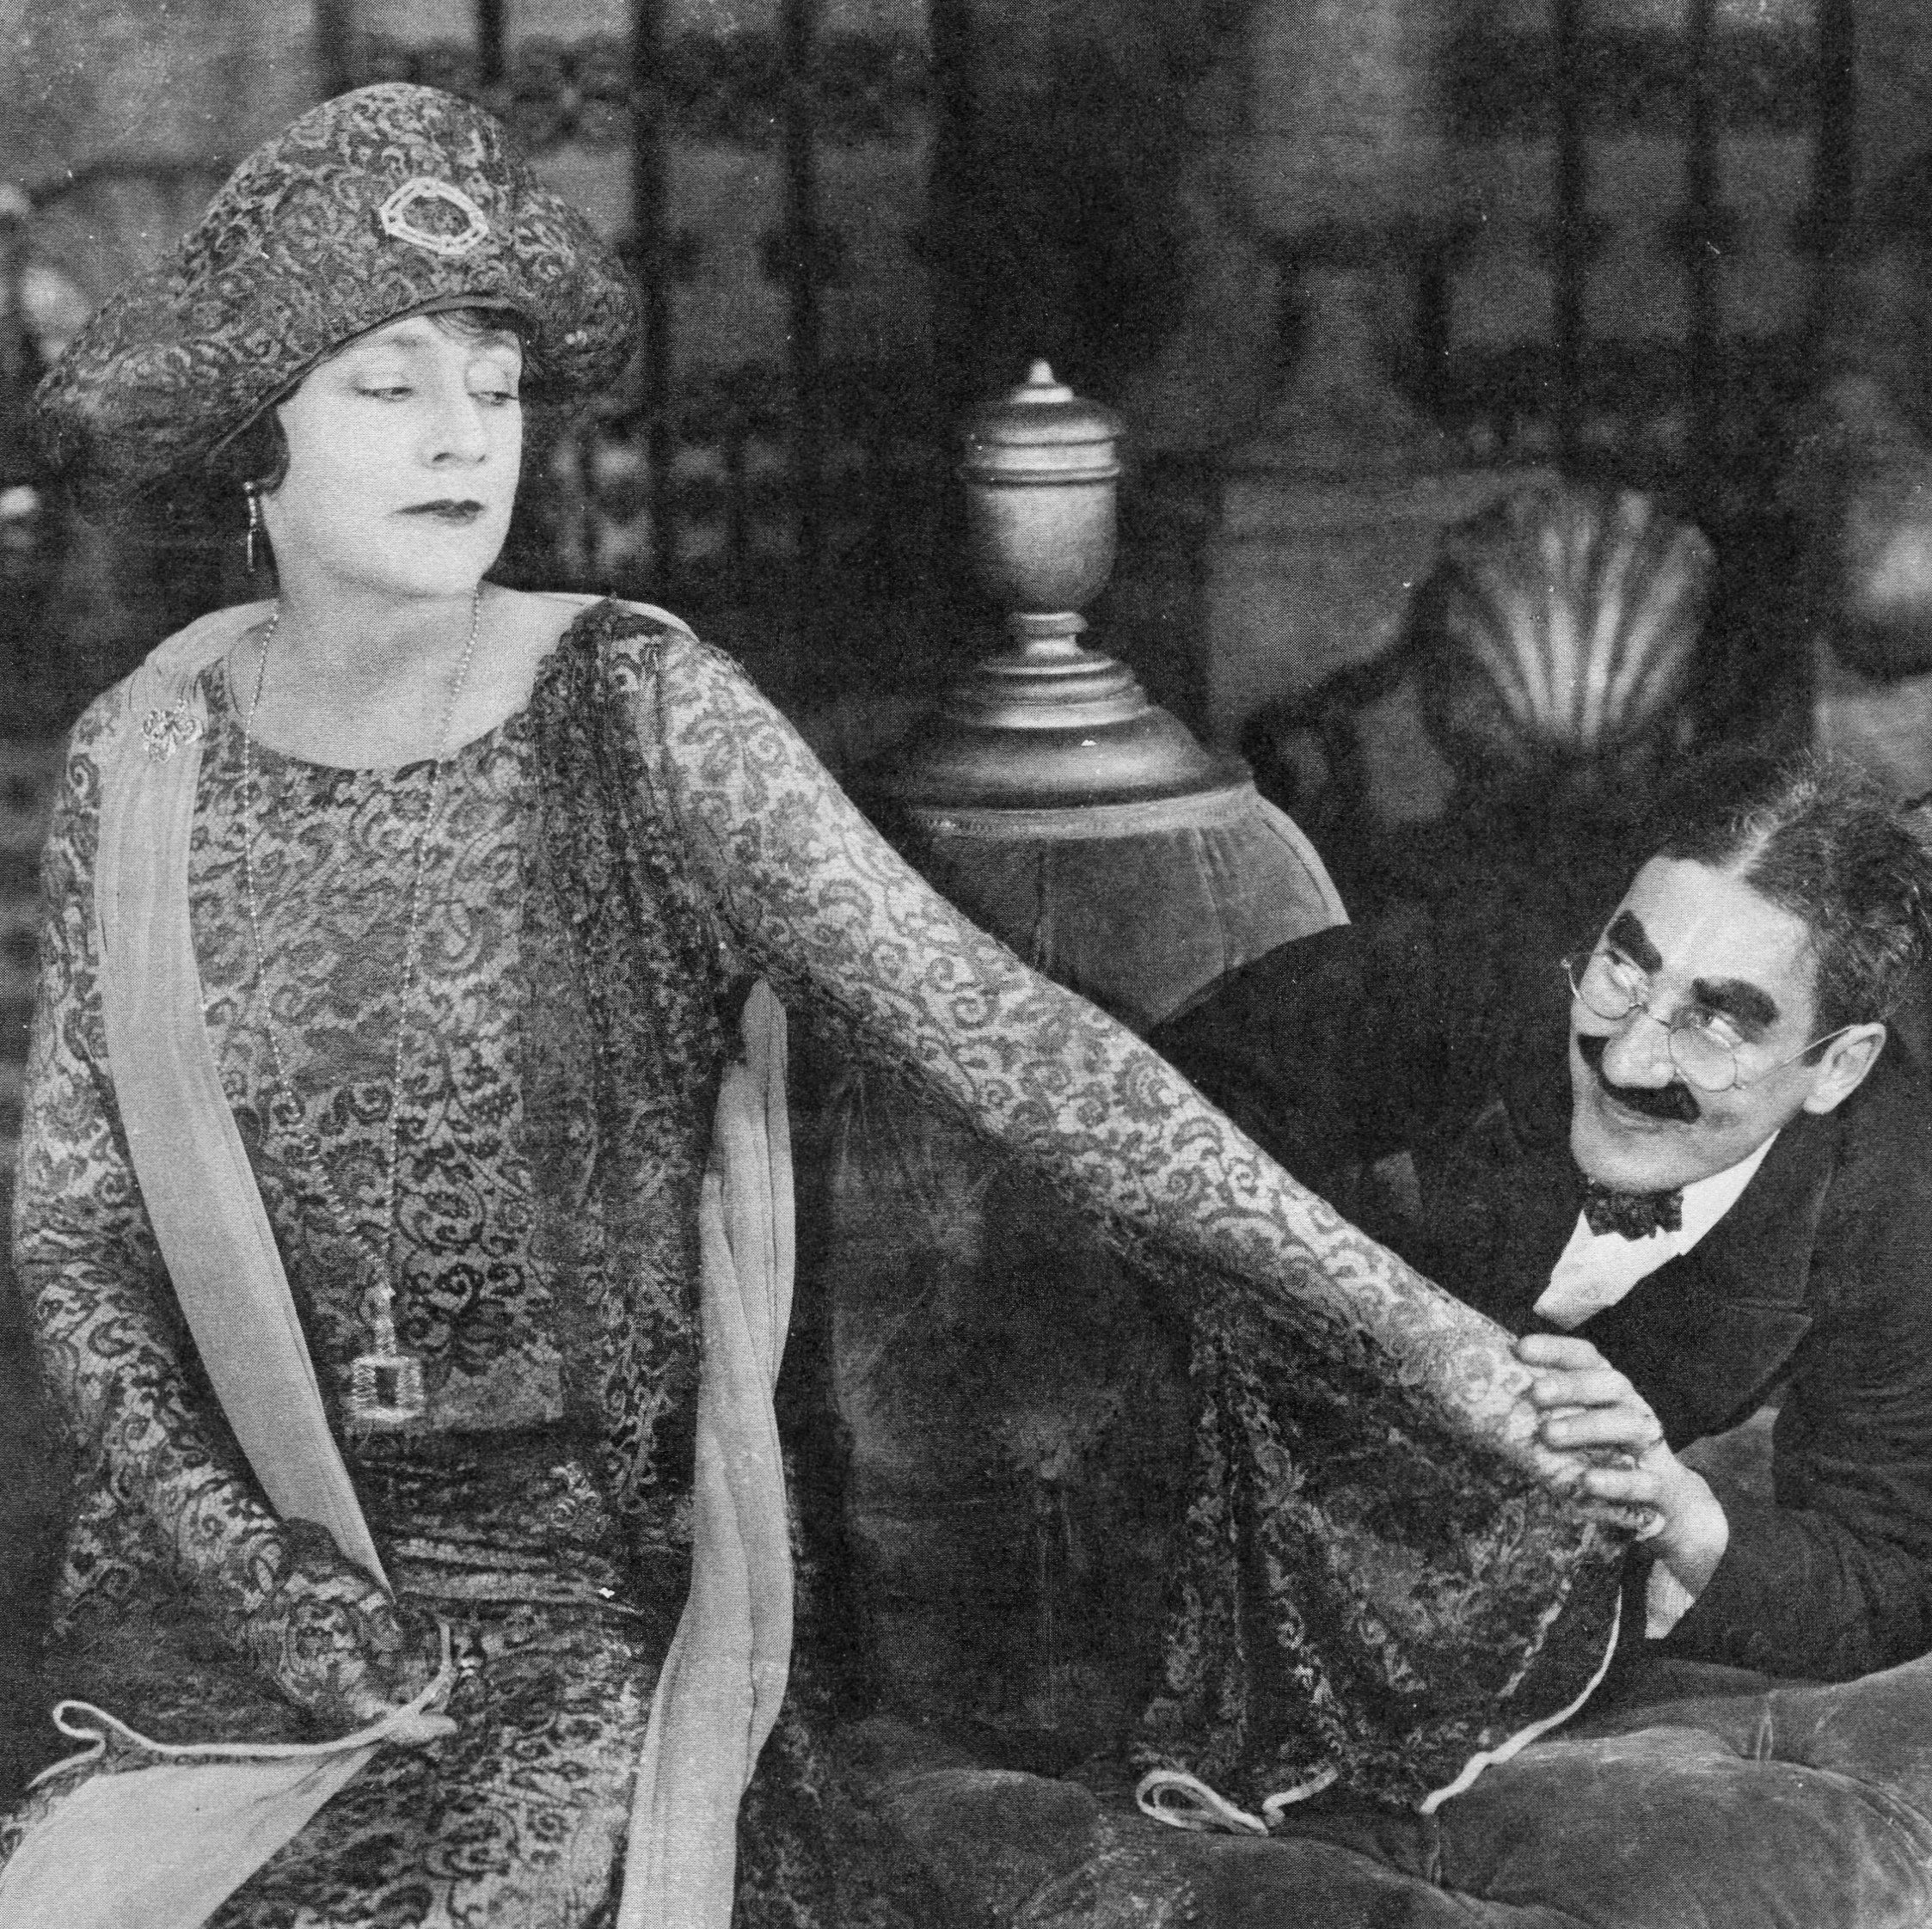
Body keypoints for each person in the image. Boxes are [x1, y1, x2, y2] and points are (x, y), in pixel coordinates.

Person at [3, 82, 1640, 1926]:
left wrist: (1441, 1351)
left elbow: (1022, 1051)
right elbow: (77, 1229)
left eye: (498, 383)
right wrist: (261, 1574)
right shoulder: (142, 752)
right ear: (255, 439)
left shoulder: (637, 710)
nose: (463, 434)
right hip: (227, 1610)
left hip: (568, 1617)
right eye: (389, 386)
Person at [1153, 746, 1932, 1689]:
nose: (1626, 1063)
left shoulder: (1897, 1207)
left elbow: (1889, 1575)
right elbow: (1159, 1114)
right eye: (1623, 972)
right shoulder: (1483, 962)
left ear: (1839, 1066)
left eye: (1718, 1024)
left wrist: (1674, 1508)